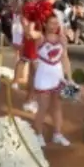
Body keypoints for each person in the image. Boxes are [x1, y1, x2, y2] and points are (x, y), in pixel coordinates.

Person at [29, 12, 73, 148]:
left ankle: (57, 134)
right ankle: (38, 134)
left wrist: (69, 78)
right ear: (45, 24)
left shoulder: (62, 39)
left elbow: (65, 58)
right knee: (43, 107)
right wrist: (31, 17)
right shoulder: (40, 38)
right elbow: (30, 34)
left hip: (57, 75)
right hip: (43, 75)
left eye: (56, 23)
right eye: (51, 23)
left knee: (57, 107)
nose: (54, 26)